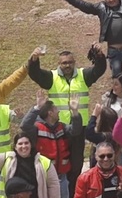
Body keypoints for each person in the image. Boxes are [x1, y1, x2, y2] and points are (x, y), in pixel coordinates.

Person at [27, 44, 108, 180]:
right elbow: (35, 74)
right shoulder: (52, 77)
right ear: (59, 64)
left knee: (76, 163)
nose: (67, 65)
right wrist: (34, 59)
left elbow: (99, 70)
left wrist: (100, 56)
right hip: (59, 127)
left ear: (74, 63)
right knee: (60, 160)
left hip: (78, 127)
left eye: (70, 62)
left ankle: (73, 191)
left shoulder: (83, 76)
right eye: (64, 63)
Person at [20, 93, 79, 198]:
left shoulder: (61, 127)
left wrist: (75, 112)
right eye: (56, 110)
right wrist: (36, 107)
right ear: (50, 113)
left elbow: (76, 131)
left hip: (61, 177)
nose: (58, 112)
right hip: (43, 178)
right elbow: (24, 126)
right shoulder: (36, 128)